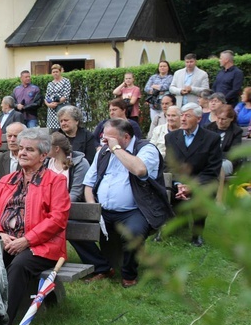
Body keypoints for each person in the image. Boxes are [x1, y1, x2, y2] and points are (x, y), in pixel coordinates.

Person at [0, 129, 69, 325]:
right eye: (21, 148)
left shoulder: (54, 181)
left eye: (29, 149)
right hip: (7, 240)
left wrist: (27, 240)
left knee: (19, 266)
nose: (22, 153)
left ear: (43, 155)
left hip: (42, 245)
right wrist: (0, 234)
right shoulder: (7, 180)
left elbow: (58, 219)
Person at [77, 118, 171, 286]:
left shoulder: (146, 149)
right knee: (71, 223)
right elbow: (88, 184)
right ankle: (102, 267)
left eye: (109, 138)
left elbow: (140, 170)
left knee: (133, 233)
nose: (104, 141)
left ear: (126, 137)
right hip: (103, 209)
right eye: (104, 137)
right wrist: (92, 206)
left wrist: (116, 149)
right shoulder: (104, 151)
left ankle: (129, 274)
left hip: (135, 210)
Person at [165, 103, 222, 247]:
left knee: (202, 194)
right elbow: (169, 165)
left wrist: (191, 186)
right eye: (182, 115)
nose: (183, 119)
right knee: (161, 188)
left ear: (198, 118)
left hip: (201, 181)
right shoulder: (171, 137)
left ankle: (197, 235)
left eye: (187, 115)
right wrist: (178, 184)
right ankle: (164, 229)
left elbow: (212, 169)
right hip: (178, 182)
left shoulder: (212, 139)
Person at [48, 132, 90, 202]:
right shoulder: (47, 162)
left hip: (70, 207)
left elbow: (75, 194)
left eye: (47, 146)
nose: (44, 148)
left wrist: (56, 205)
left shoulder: (80, 164)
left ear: (57, 149)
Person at [0, 122, 26, 197]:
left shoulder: (30, 159)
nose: (12, 140)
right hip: (3, 202)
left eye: (16, 136)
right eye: (9, 136)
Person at [205, 105, 243, 175]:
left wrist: (214, 155)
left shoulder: (236, 131)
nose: (220, 121)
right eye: (218, 118)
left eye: (223, 119)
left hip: (227, 161)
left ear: (231, 118)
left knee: (217, 167)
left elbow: (233, 153)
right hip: (208, 160)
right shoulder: (208, 128)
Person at [44, 64, 71, 129]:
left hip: (62, 107)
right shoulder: (50, 84)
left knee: (62, 127)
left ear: (60, 72)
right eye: (53, 72)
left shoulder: (66, 81)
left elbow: (66, 95)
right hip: (51, 110)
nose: (55, 73)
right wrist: (48, 104)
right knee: (52, 130)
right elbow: (46, 97)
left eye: (56, 72)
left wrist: (57, 103)